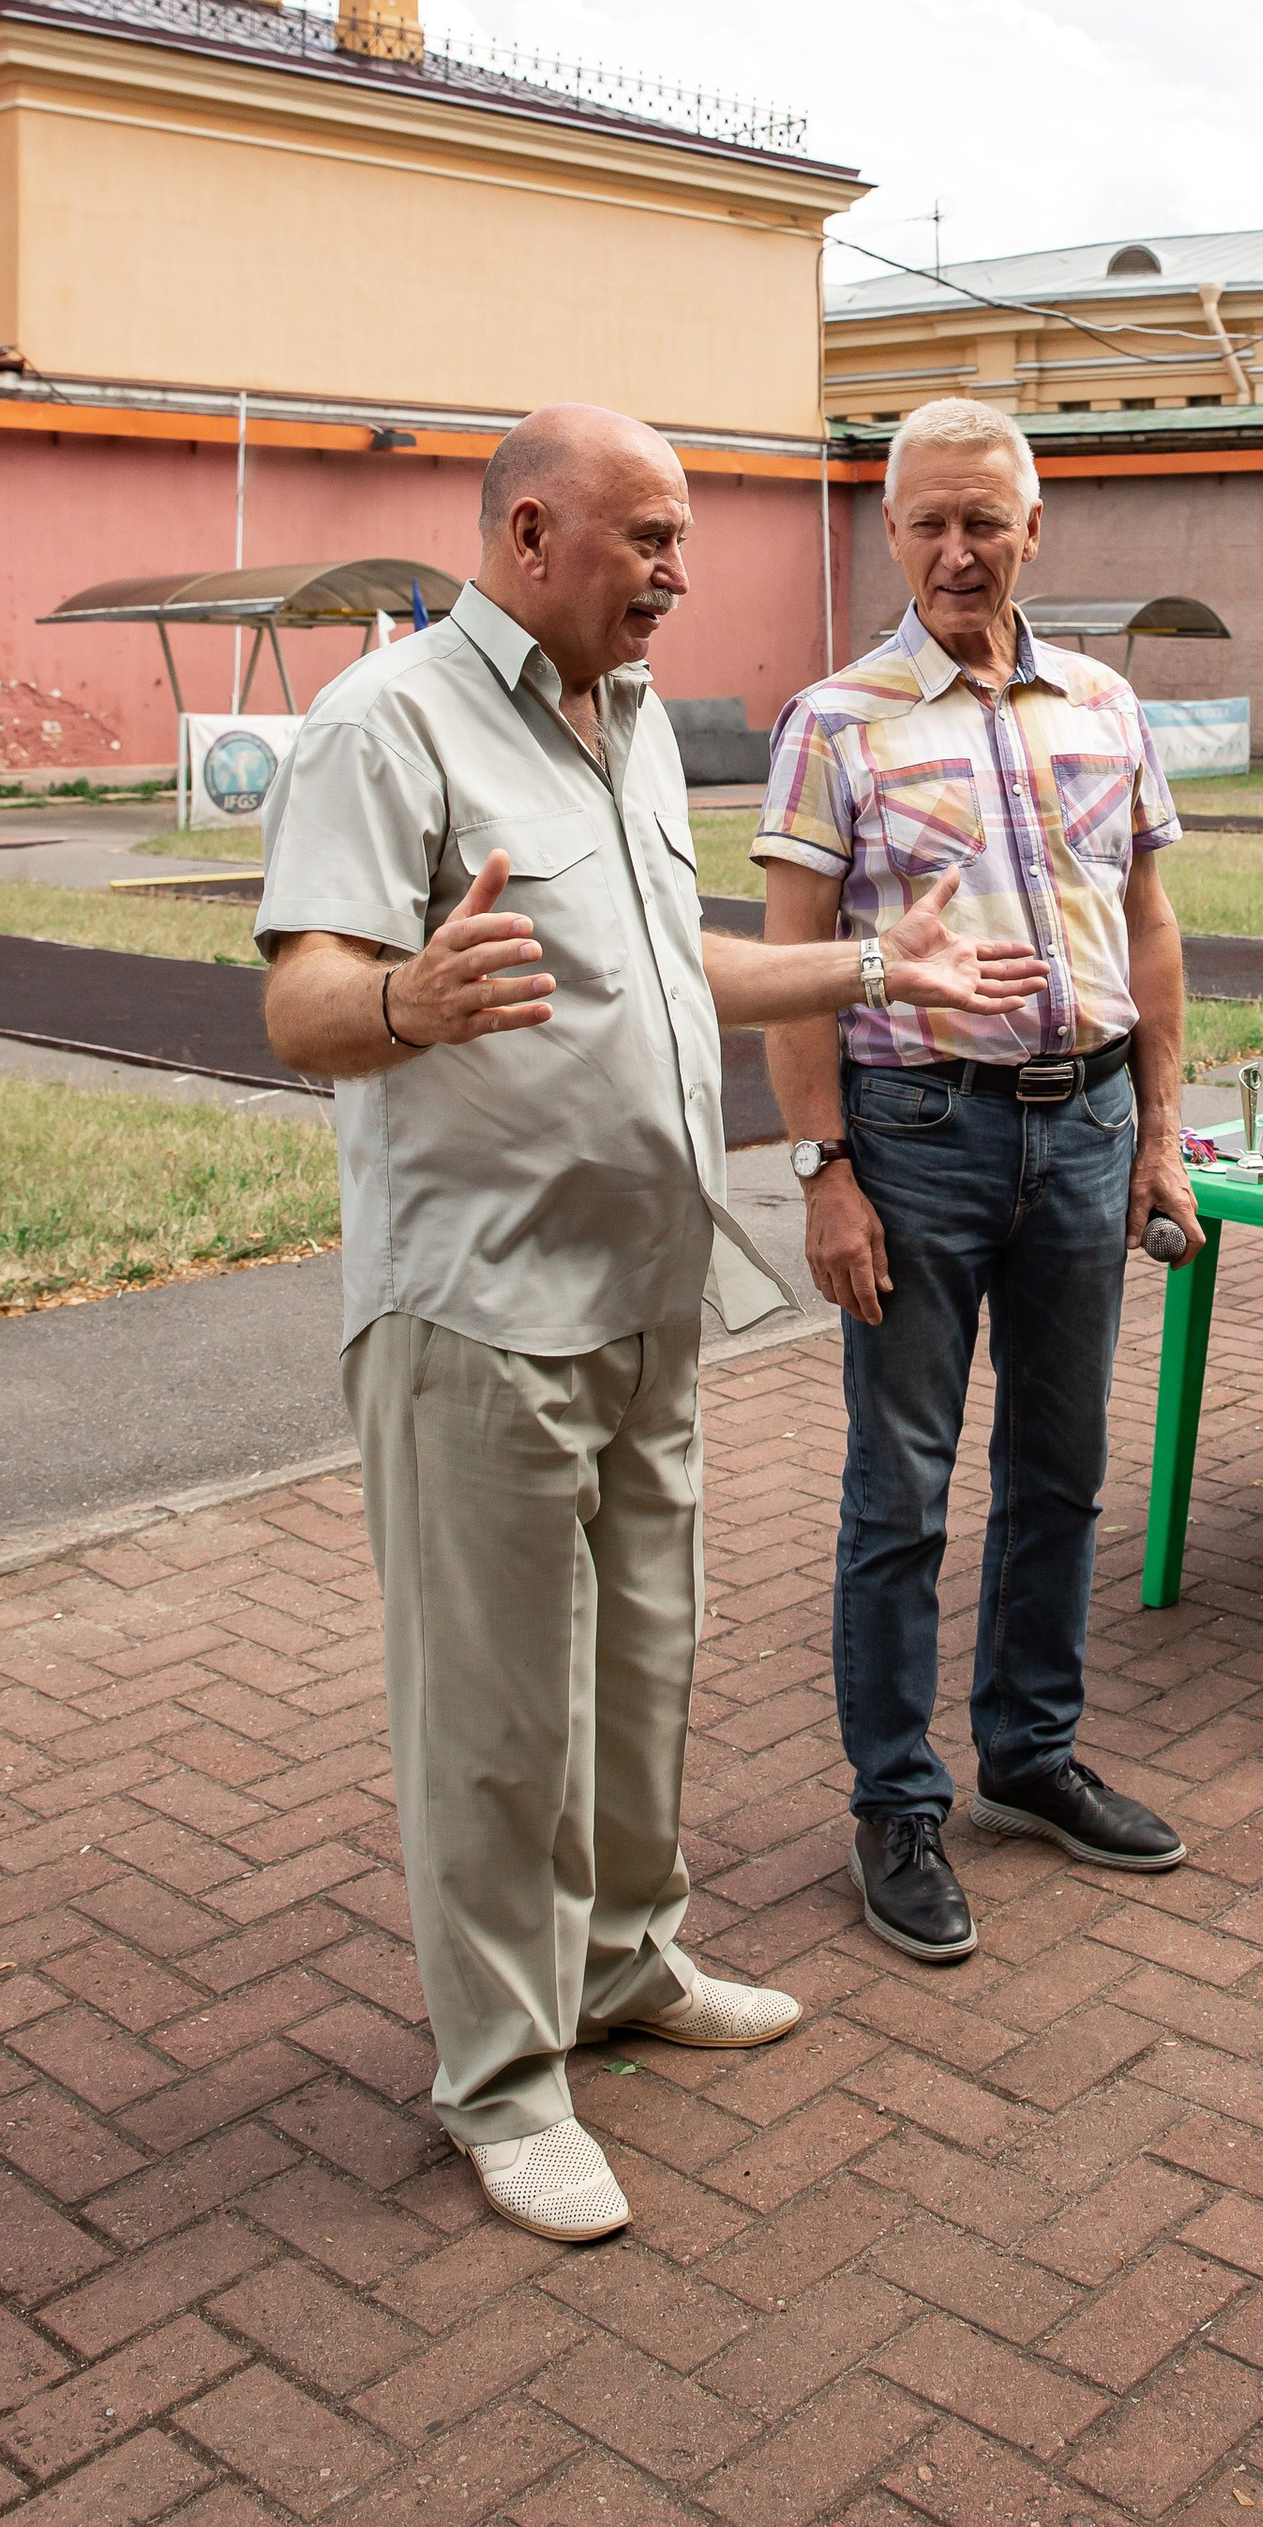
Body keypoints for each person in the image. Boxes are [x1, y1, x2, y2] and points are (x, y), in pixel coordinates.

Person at [257, 404, 1046, 2243]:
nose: (682, 573)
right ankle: (506, 2080)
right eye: (653, 540)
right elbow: (305, 1000)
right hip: (482, 1311)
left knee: (639, 1679)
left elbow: (671, 963)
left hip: (642, 1296)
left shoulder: (615, 729)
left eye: (684, 540)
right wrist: (405, 1006)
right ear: (532, 535)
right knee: (498, 1719)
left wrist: (874, 962)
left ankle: (629, 1963)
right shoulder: (388, 724)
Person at [755, 397, 1205, 1965]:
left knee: (1064, 1470)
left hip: (1084, 1130)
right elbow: (803, 970)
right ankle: (898, 1802)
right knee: (902, 1491)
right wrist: (825, 1174)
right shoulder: (834, 721)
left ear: (1035, 529)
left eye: (984, 522)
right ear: (891, 533)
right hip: (918, 1141)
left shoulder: (1105, 703)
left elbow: (1147, 929)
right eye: (928, 523)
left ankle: (1028, 1749)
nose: (958, 550)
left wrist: (1158, 1131)